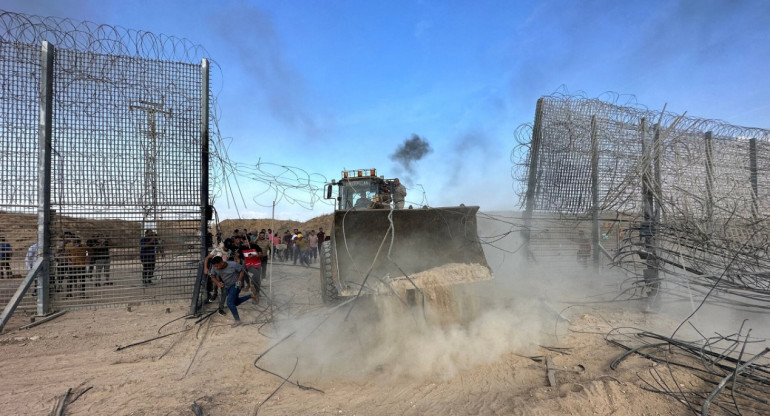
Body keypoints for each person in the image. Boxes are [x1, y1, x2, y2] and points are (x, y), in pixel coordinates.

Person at [208, 256, 254, 327]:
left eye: (217, 266)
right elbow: (212, 277)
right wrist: (217, 283)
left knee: (229, 302)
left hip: (236, 284)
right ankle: (250, 296)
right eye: (214, 266)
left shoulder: (233, 265)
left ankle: (237, 320)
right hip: (227, 286)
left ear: (221, 262)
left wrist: (239, 280)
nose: (216, 268)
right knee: (235, 302)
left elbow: (242, 270)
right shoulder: (214, 267)